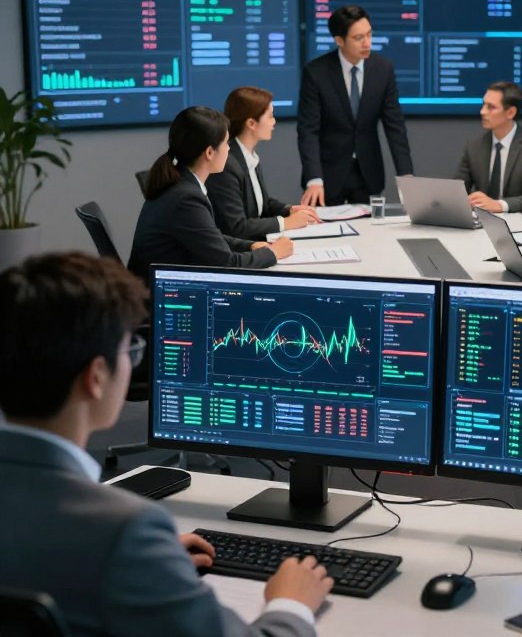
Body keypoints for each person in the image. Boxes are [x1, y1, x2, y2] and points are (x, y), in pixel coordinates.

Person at [0, 252, 333, 637]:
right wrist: (291, 603)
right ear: (96, 377)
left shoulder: (122, 539)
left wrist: (151, 563)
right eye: (131, 351)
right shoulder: (124, 531)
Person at [128, 106, 292, 281]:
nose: (229, 150)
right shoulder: (186, 197)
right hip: (155, 296)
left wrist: (250, 245)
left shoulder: (181, 182)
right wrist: (273, 253)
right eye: (226, 144)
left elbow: (209, 237)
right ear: (209, 152)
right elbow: (227, 264)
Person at [297, 4, 413, 206]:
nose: (367, 43)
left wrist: (406, 176)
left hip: (368, 173)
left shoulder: (383, 69)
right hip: (327, 174)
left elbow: (395, 126)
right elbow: (308, 130)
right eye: (359, 38)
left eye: (369, 35)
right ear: (339, 40)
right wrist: (314, 178)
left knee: (371, 234)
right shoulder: (316, 72)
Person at [207, 86, 319, 240]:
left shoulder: (248, 155)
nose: (274, 122)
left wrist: (289, 210)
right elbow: (236, 226)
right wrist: (285, 223)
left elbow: (263, 205)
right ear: (251, 123)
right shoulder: (227, 164)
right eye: (270, 116)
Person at [454, 81, 522, 215]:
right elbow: (459, 188)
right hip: (482, 221)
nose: (482, 112)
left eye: (491, 107)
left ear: (510, 112)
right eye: (483, 105)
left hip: (519, 223)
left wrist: (499, 205)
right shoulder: (474, 145)